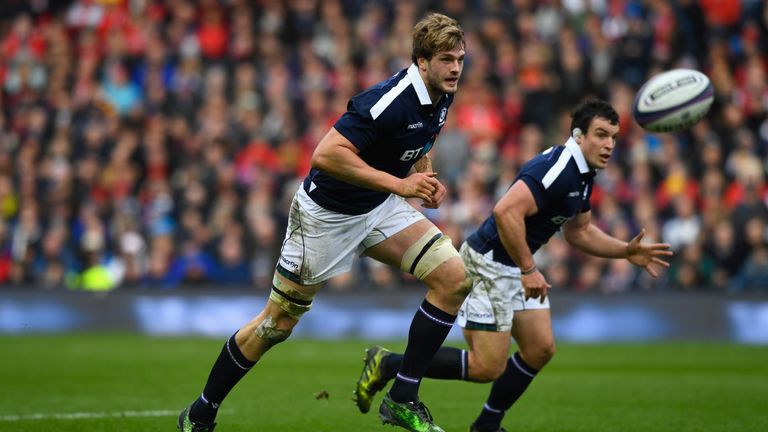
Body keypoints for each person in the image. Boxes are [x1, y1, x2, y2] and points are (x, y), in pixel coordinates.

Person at [178, 13, 469, 432]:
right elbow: (326, 154)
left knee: (454, 279)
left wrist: (423, 176)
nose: (456, 67)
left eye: (460, 58)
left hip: (377, 208)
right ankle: (201, 411)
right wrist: (399, 185)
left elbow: (418, 140)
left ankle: (403, 396)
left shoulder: (442, 92)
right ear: (421, 62)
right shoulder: (387, 100)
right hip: (325, 216)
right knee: (275, 326)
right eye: (446, 59)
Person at [353, 99, 674, 432]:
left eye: (614, 137)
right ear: (579, 136)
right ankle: (389, 364)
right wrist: (528, 268)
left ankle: (487, 425)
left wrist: (625, 251)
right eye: (601, 135)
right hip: (489, 263)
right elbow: (506, 211)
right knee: (486, 367)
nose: (609, 144)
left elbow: (580, 232)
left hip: (516, 266)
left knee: (540, 349)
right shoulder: (559, 168)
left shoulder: (583, 174)